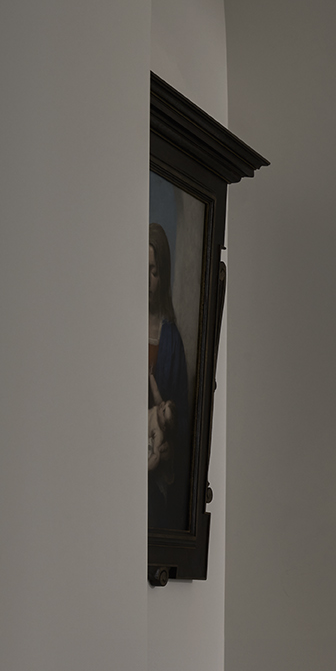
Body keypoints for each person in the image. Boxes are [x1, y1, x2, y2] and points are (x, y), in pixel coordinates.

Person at [148, 221, 192, 531]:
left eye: (153, 271)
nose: (146, 280)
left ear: (162, 276)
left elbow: (182, 413)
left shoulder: (171, 339)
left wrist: (171, 448)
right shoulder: (119, 327)